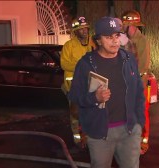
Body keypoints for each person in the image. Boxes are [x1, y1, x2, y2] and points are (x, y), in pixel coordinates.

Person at [68, 16, 145, 168]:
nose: (115, 41)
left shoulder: (128, 59)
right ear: (98, 40)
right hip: (100, 133)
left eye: (117, 35)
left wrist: (138, 124)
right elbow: (75, 98)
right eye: (108, 37)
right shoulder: (85, 65)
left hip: (129, 131)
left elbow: (138, 93)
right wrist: (94, 98)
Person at [60, 16, 94, 148]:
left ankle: (88, 137)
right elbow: (64, 64)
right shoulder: (69, 46)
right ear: (75, 31)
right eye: (81, 29)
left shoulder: (92, 44)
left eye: (86, 28)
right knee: (75, 114)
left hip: (90, 86)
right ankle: (77, 138)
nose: (85, 31)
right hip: (73, 86)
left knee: (90, 113)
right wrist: (81, 65)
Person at [121, 10, 151, 155]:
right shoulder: (124, 40)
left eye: (128, 26)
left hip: (139, 84)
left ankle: (142, 143)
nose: (127, 30)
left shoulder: (142, 41)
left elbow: (143, 65)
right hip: (126, 84)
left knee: (141, 113)